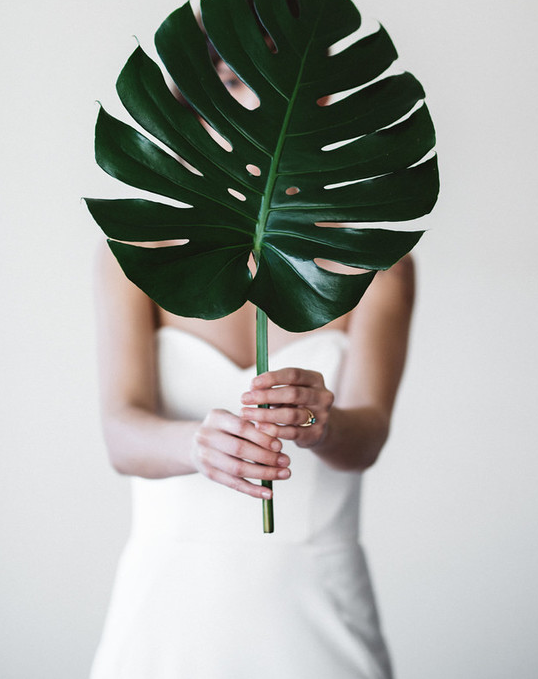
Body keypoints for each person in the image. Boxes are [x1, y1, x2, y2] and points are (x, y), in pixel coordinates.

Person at [89, 42, 415, 679]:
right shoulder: (136, 253)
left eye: (278, 80)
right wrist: (196, 446)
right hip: (166, 605)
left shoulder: (376, 265)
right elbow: (120, 434)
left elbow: (369, 435)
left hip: (316, 602)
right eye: (235, 79)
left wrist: (321, 423)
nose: (258, 101)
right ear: (194, 100)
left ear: (320, 101)